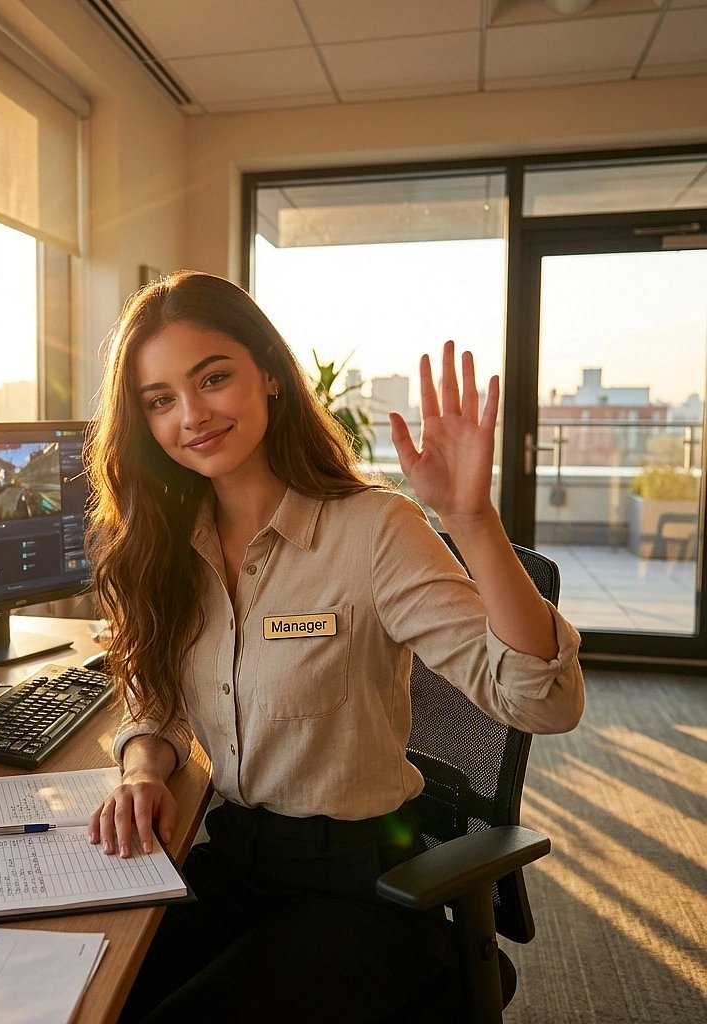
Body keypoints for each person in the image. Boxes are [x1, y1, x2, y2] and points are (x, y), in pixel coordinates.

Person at [84, 270, 584, 1023]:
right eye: (160, 400)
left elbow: (543, 700)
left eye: (212, 377)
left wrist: (472, 518)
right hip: (234, 857)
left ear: (272, 377)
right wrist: (144, 767)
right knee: (93, 993)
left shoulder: (373, 530)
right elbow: (152, 690)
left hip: (364, 884)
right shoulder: (169, 543)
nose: (191, 415)